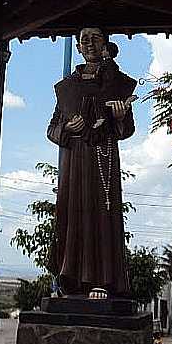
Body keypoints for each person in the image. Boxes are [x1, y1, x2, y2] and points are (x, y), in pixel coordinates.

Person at [47, 27, 137, 297]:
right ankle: (69, 279)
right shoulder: (66, 88)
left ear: (106, 44)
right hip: (74, 163)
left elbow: (128, 128)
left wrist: (120, 118)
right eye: (84, 39)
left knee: (102, 214)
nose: (89, 44)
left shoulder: (117, 83)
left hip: (103, 159)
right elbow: (52, 129)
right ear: (77, 46)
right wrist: (67, 128)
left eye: (96, 38)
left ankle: (102, 279)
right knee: (70, 214)